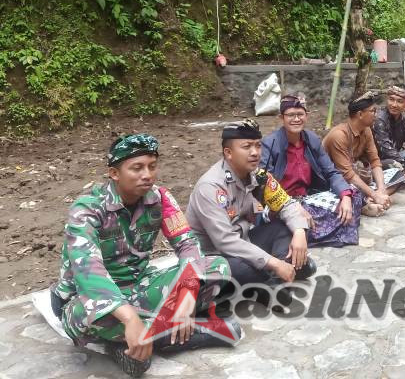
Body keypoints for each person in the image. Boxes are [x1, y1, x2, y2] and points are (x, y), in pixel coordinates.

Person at [52, 134, 236, 377]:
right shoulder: (87, 209)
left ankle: (141, 341)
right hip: (89, 298)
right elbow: (88, 270)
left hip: (138, 285)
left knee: (217, 267)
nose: (147, 175)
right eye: (137, 168)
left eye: (152, 166)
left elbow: (188, 245)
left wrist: (188, 294)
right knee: (85, 317)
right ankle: (171, 333)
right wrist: (129, 319)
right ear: (114, 173)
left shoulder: (160, 198)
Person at [187, 121, 315, 291]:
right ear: (228, 153)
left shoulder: (258, 175)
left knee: (289, 227)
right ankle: (278, 276)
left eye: (258, 145)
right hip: (214, 256)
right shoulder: (211, 187)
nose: (255, 153)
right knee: (243, 270)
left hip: (244, 241)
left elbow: (286, 204)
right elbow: (225, 242)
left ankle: (275, 281)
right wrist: (273, 262)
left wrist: (299, 232)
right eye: (247, 147)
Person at [260, 94, 360, 248]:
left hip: (308, 197)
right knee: (292, 218)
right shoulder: (270, 144)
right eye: (291, 115)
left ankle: (307, 232)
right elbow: (264, 184)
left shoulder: (311, 140)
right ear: (281, 118)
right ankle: (319, 230)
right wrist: (292, 207)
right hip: (283, 202)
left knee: (353, 192)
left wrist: (345, 196)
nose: (296, 119)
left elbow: (331, 172)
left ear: (307, 116)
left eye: (300, 114)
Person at [322, 91, 394, 216]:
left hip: (356, 176)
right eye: (372, 111)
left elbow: (375, 161)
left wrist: (380, 190)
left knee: (397, 172)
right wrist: (373, 194)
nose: (376, 115)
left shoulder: (366, 130)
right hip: (335, 181)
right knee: (347, 190)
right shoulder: (338, 135)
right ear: (360, 114)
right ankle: (364, 204)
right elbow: (347, 174)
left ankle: (370, 199)